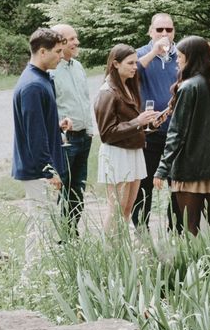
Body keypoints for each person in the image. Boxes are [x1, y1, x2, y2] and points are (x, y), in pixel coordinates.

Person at [154, 36, 210, 234]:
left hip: (189, 168)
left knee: (189, 226)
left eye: (180, 56)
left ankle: (195, 264)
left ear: (192, 58)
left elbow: (176, 133)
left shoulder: (189, 87)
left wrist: (162, 169)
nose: (177, 60)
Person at [11, 26, 65, 263]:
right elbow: (34, 134)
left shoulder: (41, 79)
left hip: (42, 167)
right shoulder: (32, 85)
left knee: (44, 223)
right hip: (37, 170)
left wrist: (57, 125)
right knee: (41, 224)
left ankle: (40, 275)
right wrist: (49, 170)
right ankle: (33, 277)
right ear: (42, 51)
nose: (61, 56)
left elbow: (40, 122)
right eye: (58, 51)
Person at [93, 43, 160, 228]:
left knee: (127, 210)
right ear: (115, 64)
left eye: (136, 63)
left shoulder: (128, 86)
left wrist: (149, 123)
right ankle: (109, 253)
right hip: (117, 154)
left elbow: (131, 122)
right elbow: (106, 133)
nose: (135, 67)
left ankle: (121, 250)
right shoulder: (107, 92)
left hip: (134, 150)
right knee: (115, 209)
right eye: (130, 63)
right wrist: (138, 122)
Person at [132, 12, 181, 229]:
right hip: (149, 132)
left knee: (177, 183)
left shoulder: (181, 55)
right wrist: (154, 51)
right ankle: (141, 229)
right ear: (150, 31)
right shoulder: (140, 54)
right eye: (159, 29)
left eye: (168, 30)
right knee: (145, 184)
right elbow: (131, 74)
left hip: (176, 132)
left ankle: (177, 229)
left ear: (174, 32)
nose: (164, 34)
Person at [49, 24, 93, 234]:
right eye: (72, 39)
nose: (77, 42)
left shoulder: (78, 67)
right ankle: (61, 235)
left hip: (84, 137)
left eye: (76, 38)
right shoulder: (51, 71)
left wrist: (90, 129)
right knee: (62, 188)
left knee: (78, 189)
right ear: (60, 42)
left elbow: (85, 99)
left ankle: (71, 232)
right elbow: (50, 106)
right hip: (66, 140)